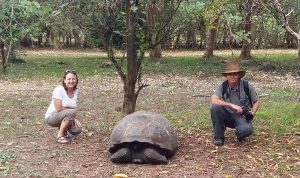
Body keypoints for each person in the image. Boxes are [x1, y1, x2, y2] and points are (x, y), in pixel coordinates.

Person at [211, 62, 260, 146]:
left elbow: (256, 101)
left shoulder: (246, 85)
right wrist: (231, 105)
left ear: (239, 75)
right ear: (226, 76)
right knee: (215, 107)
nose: (232, 76)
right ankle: (219, 137)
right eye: (230, 74)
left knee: (247, 130)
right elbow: (214, 100)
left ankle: (240, 134)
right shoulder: (223, 85)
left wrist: (252, 112)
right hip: (227, 115)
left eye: (235, 74)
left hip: (241, 116)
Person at [45, 70, 82, 144]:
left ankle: (64, 130)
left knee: (77, 130)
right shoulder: (59, 89)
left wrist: (74, 117)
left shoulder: (75, 91)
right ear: (64, 80)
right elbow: (58, 108)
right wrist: (72, 115)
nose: (71, 81)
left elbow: (74, 106)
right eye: (69, 79)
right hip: (52, 117)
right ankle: (60, 135)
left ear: (76, 80)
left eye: (73, 79)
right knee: (72, 112)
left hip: (65, 115)